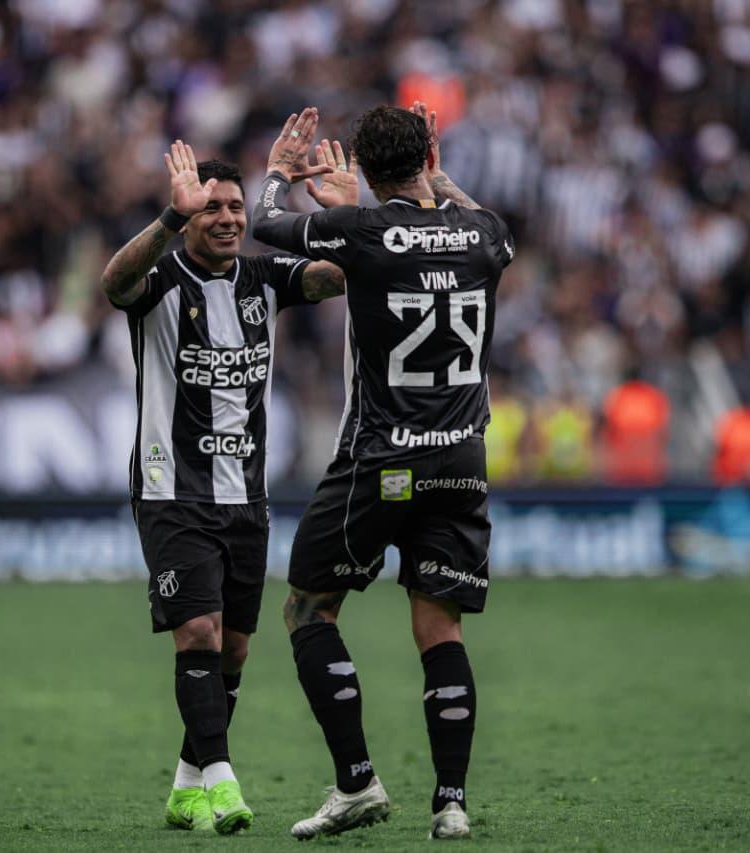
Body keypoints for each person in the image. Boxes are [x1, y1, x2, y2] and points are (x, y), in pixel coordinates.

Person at [251, 103, 514, 840]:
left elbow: (267, 224)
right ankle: (452, 801)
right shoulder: (485, 232)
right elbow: (476, 222)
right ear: (431, 154)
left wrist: (277, 172)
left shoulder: (362, 230)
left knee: (308, 606)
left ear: (364, 172)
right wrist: (436, 171)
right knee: (440, 627)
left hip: (383, 459)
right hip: (464, 459)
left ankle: (358, 783)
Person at [100, 141, 343, 834]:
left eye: (236, 206)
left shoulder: (264, 280)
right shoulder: (160, 280)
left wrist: (347, 216)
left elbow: (338, 275)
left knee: (233, 648)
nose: (229, 218)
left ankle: (185, 784)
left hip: (248, 497)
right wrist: (165, 221)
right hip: (170, 488)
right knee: (198, 631)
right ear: (189, 215)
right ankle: (224, 780)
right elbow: (113, 284)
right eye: (212, 208)